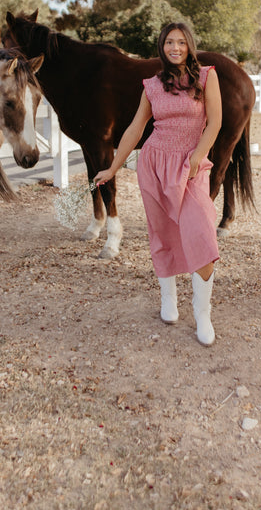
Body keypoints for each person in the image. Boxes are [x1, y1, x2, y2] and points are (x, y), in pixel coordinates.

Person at [94, 23, 222, 346]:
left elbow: (216, 122)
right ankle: (168, 298)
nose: (175, 48)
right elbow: (136, 130)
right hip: (154, 165)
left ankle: (202, 313)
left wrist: (198, 156)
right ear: (162, 46)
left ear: (189, 45)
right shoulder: (152, 85)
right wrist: (112, 167)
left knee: (201, 233)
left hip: (192, 168)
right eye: (169, 42)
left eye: (181, 42)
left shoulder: (207, 77)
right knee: (162, 234)